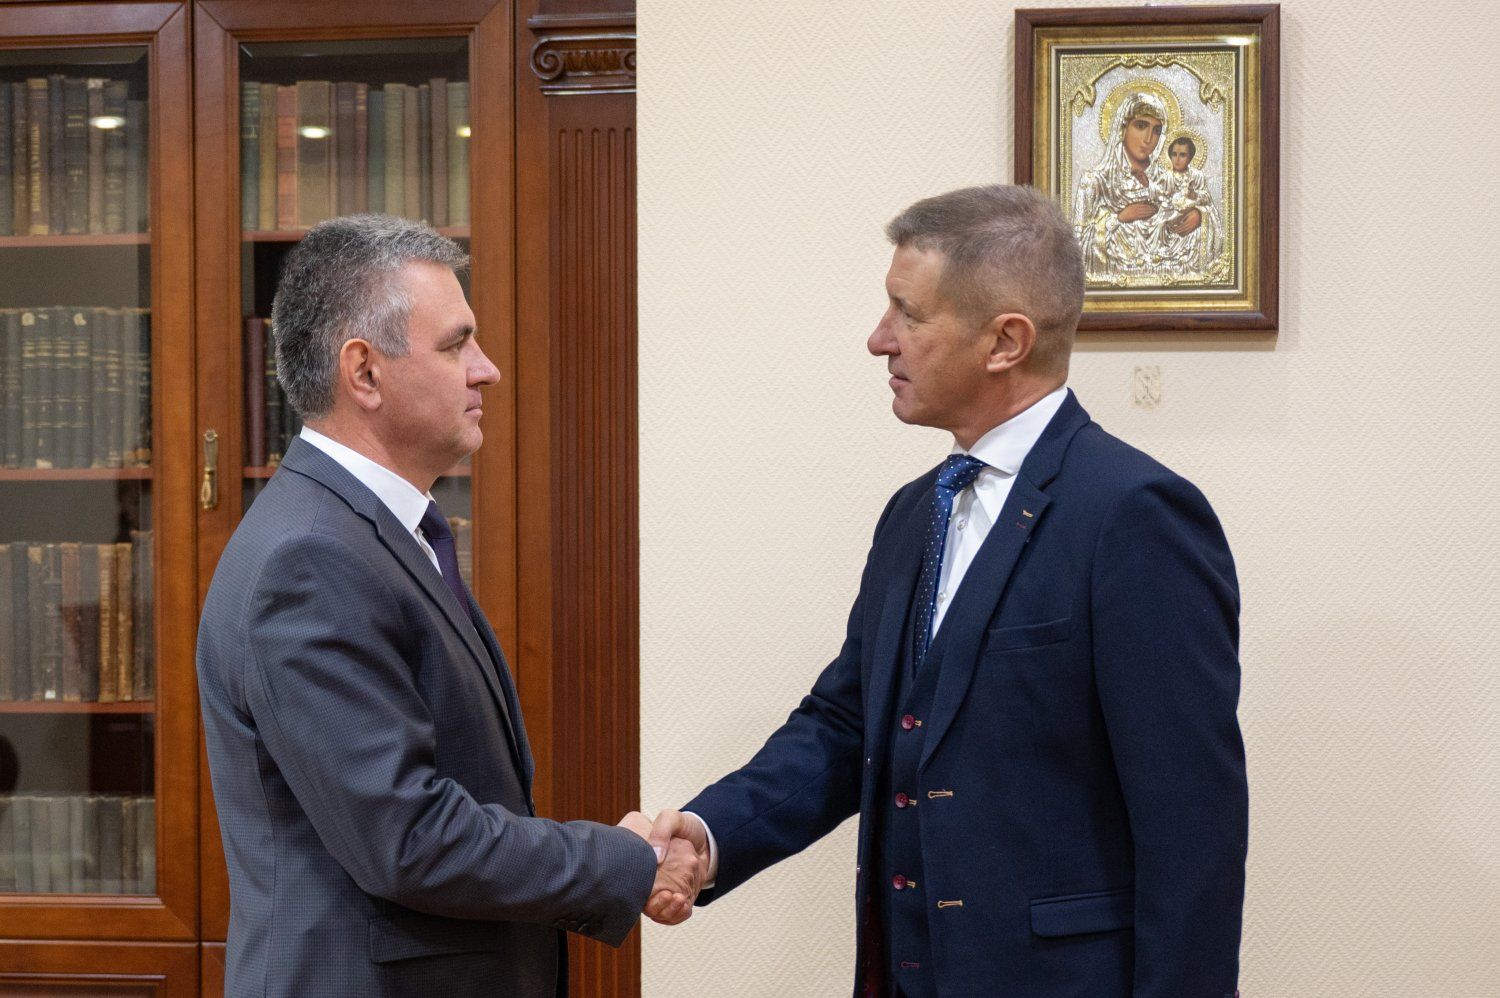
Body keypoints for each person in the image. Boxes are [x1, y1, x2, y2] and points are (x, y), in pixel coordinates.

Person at [647, 185, 1247, 996]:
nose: (878, 339)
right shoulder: (914, 512)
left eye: (909, 313)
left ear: (1005, 341)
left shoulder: (1134, 515)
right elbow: (848, 724)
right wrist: (708, 834)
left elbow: (1191, 826)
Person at [197, 215, 700, 998]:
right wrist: (623, 860)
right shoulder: (312, 560)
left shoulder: (365, 535)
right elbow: (407, 839)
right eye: (455, 345)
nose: (486, 370)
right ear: (364, 372)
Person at [1155, 134, 1225, 274]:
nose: (1177, 159)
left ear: (1190, 157)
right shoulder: (1166, 177)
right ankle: (1161, 255)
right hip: (1170, 212)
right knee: (1159, 224)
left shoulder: (1196, 175)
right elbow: (1159, 197)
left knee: (1196, 234)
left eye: (1182, 155)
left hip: (1189, 209)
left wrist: (1195, 196)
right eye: (1174, 154)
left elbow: (1206, 197)